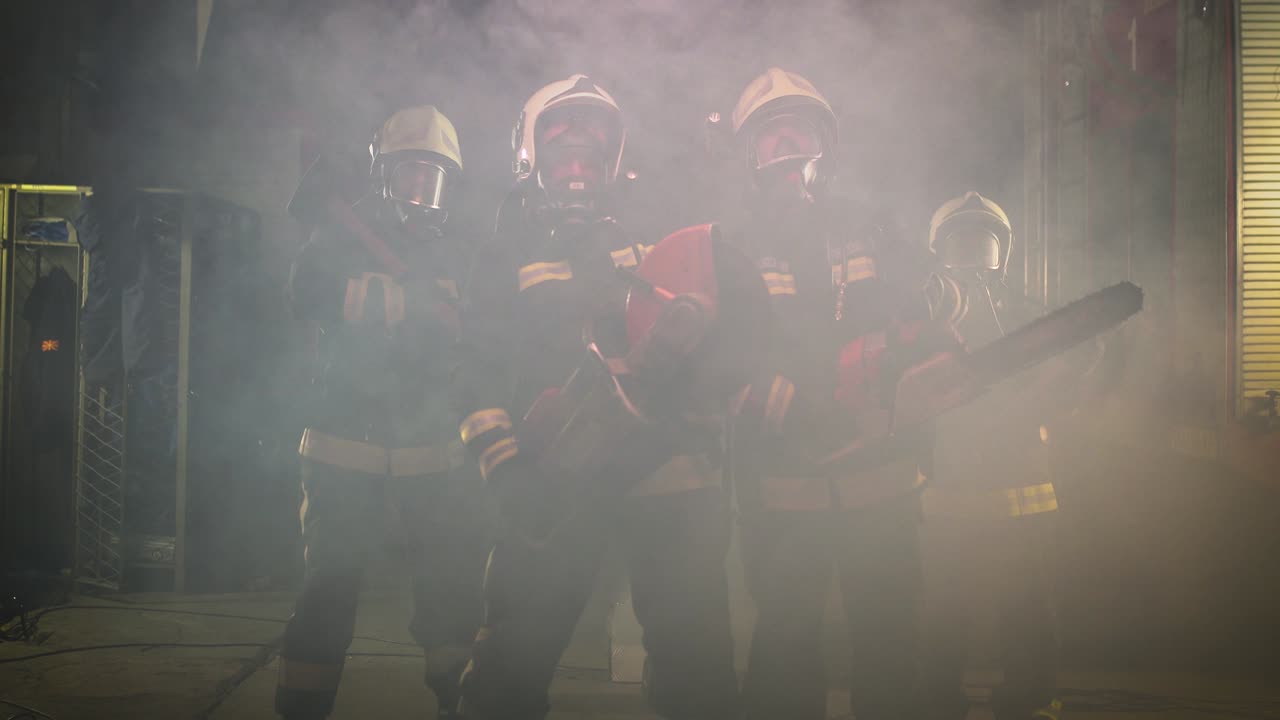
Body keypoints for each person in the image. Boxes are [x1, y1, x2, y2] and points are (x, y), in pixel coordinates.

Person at [453, 74, 740, 720]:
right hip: (557, 483)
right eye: (563, 155)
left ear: (614, 163)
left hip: (667, 478)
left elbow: (717, 318)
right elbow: (472, 370)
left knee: (698, 671)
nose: (579, 170)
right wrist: (508, 471)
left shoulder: (664, 231)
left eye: (592, 158)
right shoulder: (504, 253)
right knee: (509, 667)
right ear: (530, 159)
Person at [713, 67, 940, 720]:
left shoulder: (873, 228)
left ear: (825, 147)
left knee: (892, 642)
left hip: (883, 478)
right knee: (785, 643)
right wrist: (796, 407)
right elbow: (721, 359)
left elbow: (914, 315)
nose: (787, 147)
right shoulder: (730, 246)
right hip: (787, 485)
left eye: (799, 132)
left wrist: (922, 353)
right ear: (748, 157)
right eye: (770, 137)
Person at [275, 105, 488, 720]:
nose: (421, 191)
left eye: (433, 178)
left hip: (431, 442)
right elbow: (303, 293)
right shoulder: (338, 236)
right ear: (383, 176)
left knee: (449, 598)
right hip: (345, 437)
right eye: (409, 176)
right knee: (328, 594)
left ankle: (459, 706)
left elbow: (479, 324)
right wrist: (398, 302)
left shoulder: (457, 249)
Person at [918, 191, 1063, 720]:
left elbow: (1082, 358)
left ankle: (1031, 701)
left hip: (1018, 486)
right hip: (949, 489)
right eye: (963, 241)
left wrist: (1038, 398)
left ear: (1002, 249)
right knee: (942, 613)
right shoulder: (923, 315)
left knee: (1027, 610)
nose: (974, 253)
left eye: (982, 241)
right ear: (940, 251)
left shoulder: (1028, 310)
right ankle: (940, 703)